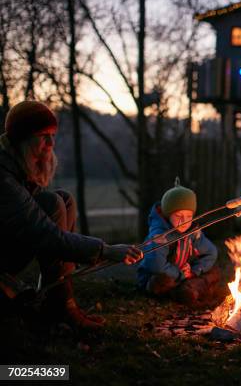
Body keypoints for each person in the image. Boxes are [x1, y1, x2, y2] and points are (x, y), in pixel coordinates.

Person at [0, 101, 143, 330]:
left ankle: (59, 301)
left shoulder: (18, 167)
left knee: (64, 199)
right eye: (43, 136)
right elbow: (46, 234)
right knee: (52, 202)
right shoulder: (4, 179)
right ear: (23, 139)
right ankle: (61, 306)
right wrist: (105, 250)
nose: (51, 143)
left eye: (53, 135)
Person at [137, 178, 221, 308]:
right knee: (160, 281)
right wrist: (180, 274)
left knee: (214, 271)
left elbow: (211, 252)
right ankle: (186, 291)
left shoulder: (192, 231)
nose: (184, 221)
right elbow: (156, 266)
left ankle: (188, 289)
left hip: (184, 275)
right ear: (167, 214)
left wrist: (194, 271)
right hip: (161, 276)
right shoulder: (160, 235)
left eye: (189, 216)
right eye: (178, 216)